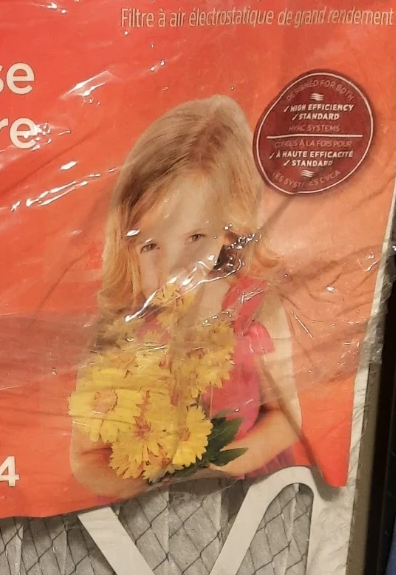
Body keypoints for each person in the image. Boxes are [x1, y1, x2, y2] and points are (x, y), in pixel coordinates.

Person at [70, 95, 301, 500]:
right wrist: (149, 483)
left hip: (244, 499)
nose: (173, 269)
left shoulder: (252, 309)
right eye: (150, 245)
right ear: (126, 244)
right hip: (143, 509)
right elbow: (85, 458)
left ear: (228, 231)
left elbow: (287, 419)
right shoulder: (120, 330)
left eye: (194, 237)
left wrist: (216, 465)